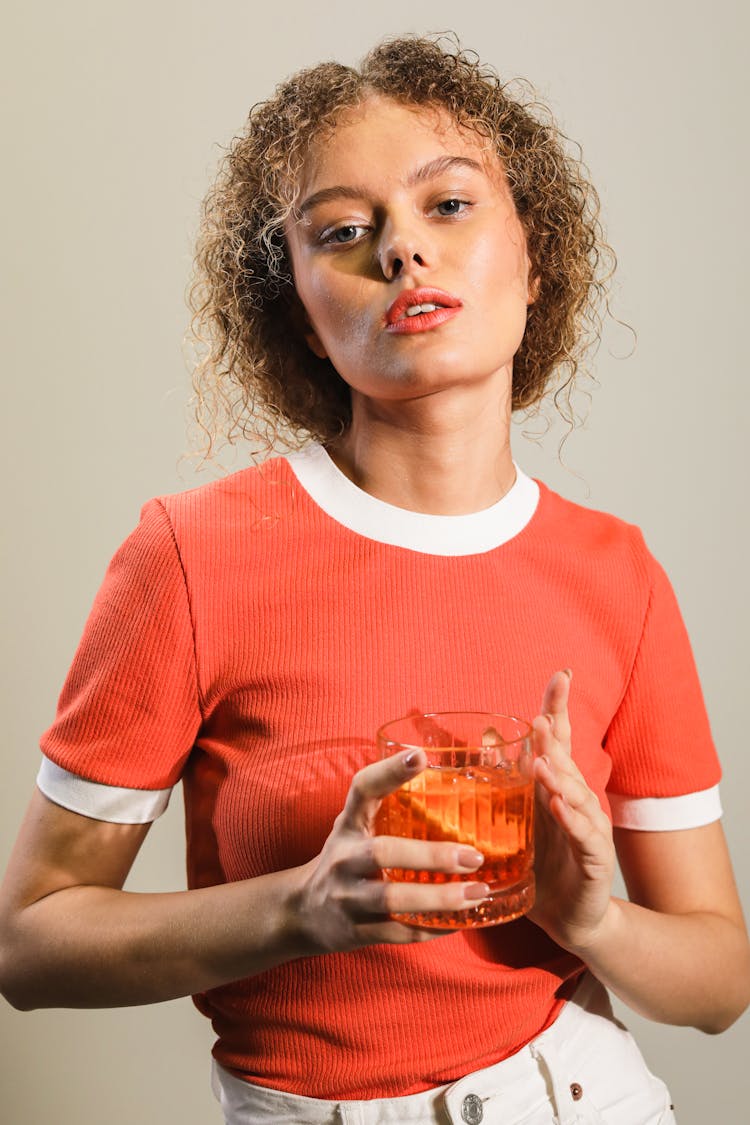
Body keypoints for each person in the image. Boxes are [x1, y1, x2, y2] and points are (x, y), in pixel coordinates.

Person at [1, 33, 748, 1125]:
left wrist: (591, 920)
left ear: (534, 259)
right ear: (301, 314)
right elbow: (29, 946)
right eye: (344, 232)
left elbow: (722, 983)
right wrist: (303, 906)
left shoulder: (617, 574)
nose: (403, 251)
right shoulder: (190, 556)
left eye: (447, 206)